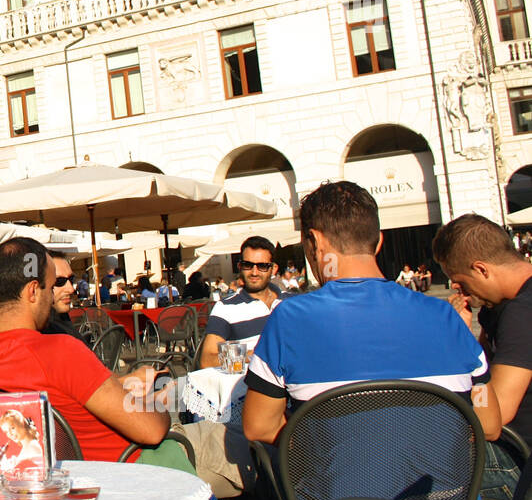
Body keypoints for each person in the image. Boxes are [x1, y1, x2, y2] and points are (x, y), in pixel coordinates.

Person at [242, 182, 502, 448]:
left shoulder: (289, 319)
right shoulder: (446, 316)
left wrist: (326, 447)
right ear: (378, 242)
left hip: (339, 489)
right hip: (445, 489)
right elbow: (489, 425)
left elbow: (259, 426)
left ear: (315, 242)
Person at [0, 237, 169, 462]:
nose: (53, 296)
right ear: (33, 291)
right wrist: (159, 402)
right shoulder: (59, 350)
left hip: (69, 471)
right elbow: (152, 431)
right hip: (133, 465)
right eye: (51, 287)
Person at [433, 214, 532, 500]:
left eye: (460, 281)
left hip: (520, 459)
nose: (458, 291)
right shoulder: (504, 306)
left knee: (424, 462)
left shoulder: (521, 313)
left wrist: (461, 344)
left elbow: (496, 412)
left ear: (481, 269)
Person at [199, 237, 286, 369]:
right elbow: (207, 360)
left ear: (273, 269)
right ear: (240, 267)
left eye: (262, 266)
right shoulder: (225, 308)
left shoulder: (291, 302)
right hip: (251, 385)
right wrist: (249, 356)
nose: (254, 272)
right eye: (248, 265)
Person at [43, 252, 85, 341]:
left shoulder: (62, 319)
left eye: (71, 279)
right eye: (59, 281)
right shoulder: (44, 335)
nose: (71, 289)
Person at [0, 409, 45, 478]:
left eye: (12, 428)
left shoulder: (32, 446)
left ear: (21, 423)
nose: (10, 434)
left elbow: (24, 473)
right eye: (6, 432)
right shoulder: (27, 446)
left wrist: (4, 462)